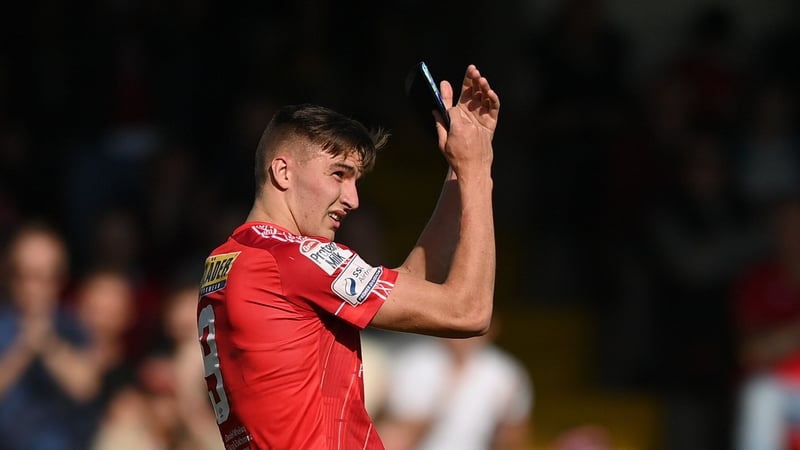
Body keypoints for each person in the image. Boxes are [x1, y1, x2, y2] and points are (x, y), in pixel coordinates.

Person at [197, 64, 498, 449]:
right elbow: (468, 311)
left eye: (356, 180)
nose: (353, 199)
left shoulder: (231, 257)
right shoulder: (292, 258)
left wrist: (459, 172)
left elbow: (412, 284)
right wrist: (478, 170)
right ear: (283, 172)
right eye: (339, 175)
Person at [0, 222, 106, 450]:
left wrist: (48, 344)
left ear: (59, 280)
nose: (31, 287)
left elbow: (86, 387)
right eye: (22, 275)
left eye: (42, 276)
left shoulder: (73, 326)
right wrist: (23, 349)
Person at [375, 327, 533, 450]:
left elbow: (515, 437)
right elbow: (392, 434)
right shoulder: (413, 364)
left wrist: (504, 426)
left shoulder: (505, 372)